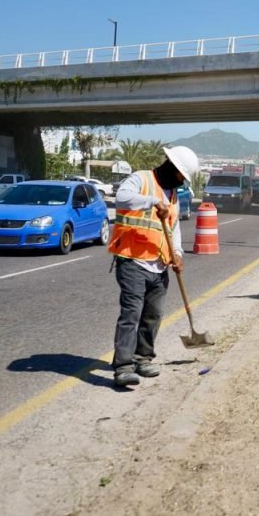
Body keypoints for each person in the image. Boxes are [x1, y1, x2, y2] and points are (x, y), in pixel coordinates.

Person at [108, 145, 200, 388]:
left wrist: (177, 253)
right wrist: (151, 201)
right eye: (181, 176)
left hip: (159, 265)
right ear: (171, 167)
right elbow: (121, 198)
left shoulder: (172, 194)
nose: (182, 182)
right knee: (131, 314)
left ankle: (143, 358)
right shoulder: (141, 179)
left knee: (153, 316)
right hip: (133, 260)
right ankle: (123, 366)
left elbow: (174, 228)